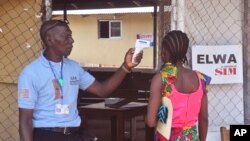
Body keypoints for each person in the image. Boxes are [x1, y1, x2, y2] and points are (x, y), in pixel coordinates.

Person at [17, 20, 143, 141]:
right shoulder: (31, 73)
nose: (72, 41)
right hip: (47, 135)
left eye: (70, 36)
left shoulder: (74, 67)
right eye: (66, 37)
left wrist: (125, 67)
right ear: (49, 40)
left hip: (74, 134)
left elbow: (102, 90)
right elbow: (25, 120)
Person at [146, 30, 211, 141]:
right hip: (191, 137)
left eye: (163, 49)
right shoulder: (201, 79)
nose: (162, 53)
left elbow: (151, 122)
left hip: (167, 136)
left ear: (166, 52)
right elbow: (204, 118)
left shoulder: (161, 79)